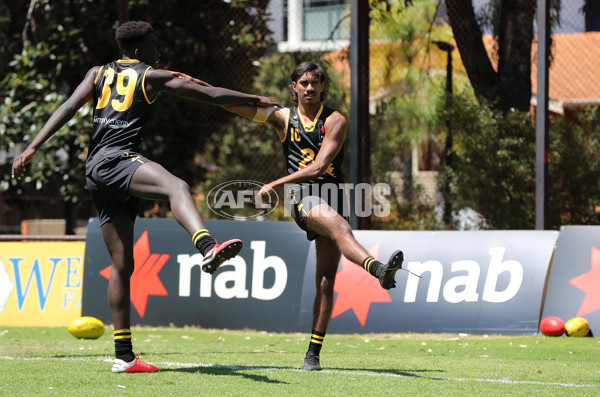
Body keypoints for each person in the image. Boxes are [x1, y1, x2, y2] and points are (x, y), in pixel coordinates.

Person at [11, 21, 280, 373]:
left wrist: (33, 146)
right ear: (139, 52)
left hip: (95, 169)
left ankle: (124, 357)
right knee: (177, 187)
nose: (158, 52)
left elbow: (67, 107)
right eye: (154, 47)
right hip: (119, 161)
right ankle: (206, 247)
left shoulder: (97, 73)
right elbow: (212, 95)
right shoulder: (150, 76)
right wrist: (256, 101)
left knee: (122, 265)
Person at [173, 62, 404, 371]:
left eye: (315, 82)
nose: (309, 87)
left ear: (323, 86)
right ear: (294, 86)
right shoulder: (283, 118)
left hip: (332, 195)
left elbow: (320, 167)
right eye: (304, 82)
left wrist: (272, 184)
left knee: (326, 281)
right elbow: (230, 102)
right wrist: (195, 81)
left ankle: (312, 356)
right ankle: (379, 270)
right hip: (303, 197)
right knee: (339, 226)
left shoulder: (335, 120)